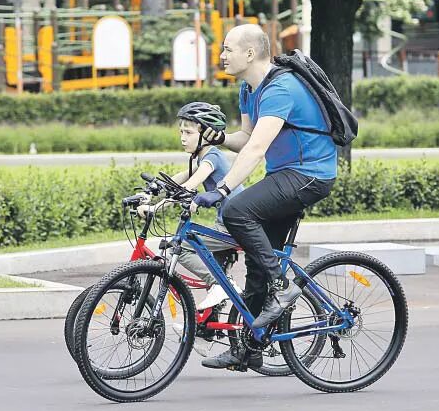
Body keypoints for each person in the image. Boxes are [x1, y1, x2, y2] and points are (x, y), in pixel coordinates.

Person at [191, 24, 337, 370]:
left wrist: (223, 189)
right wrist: (220, 139)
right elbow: (245, 137)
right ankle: (248, 349)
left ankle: (282, 287)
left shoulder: (280, 88)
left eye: (227, 49)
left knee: (237, 211)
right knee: (257, 261)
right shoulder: (249, 89)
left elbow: (257, 148)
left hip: (310, 174)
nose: (222, 55)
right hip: (285, 174)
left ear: (251, 53)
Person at [138, 102, 243, 310]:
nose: (182, 137)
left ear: (205, 135)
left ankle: (221, 285)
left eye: (188, 132)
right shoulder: (202, 158)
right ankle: (202, 320)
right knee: (188, 248)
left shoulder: (212, 157)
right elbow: (177, 180)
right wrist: (151, 191)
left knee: (182, 246)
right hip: (227, 222)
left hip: (234, 225)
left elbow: (187, 187)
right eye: (181, 132)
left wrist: (155, 209)